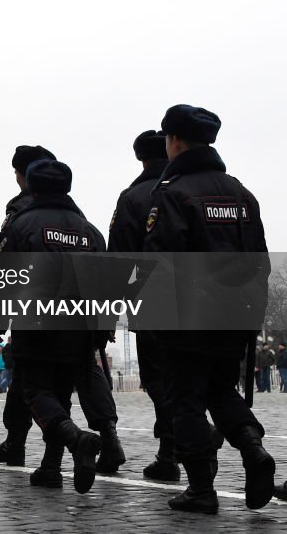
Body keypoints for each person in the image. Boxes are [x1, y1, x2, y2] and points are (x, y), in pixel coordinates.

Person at [143, 104, 275, 513]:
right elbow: (261, 262)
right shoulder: (240, 193)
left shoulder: (173, 193)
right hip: (235, 317)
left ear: (175, 141)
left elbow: (161, 265)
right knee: (221, 389)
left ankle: (201, 489)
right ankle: (254, 449)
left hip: (189, 319)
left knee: (186, 399)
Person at [0, 159, 105, 495]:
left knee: (36, 391)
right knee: (61, 394)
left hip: (37, 320)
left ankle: (75, 439)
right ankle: (50, 468)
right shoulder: (89, 230)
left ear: (32, 185)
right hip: (81, 326)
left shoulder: (22, 225)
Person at [108, 129, 178, 481]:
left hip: (153, 304)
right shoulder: (218, 186)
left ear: (140, 157)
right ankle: (246, 440)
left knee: (159, 379)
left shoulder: (135, 197)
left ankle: (172, 449)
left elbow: (119, 262)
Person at [0, 145, 56, 467]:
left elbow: (5, 266)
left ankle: (19, 444)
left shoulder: (22, 214)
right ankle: (107, 438)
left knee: (27, 379)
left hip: (31, 310)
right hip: (73, 315)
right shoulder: (76, 214)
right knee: (74, 378)